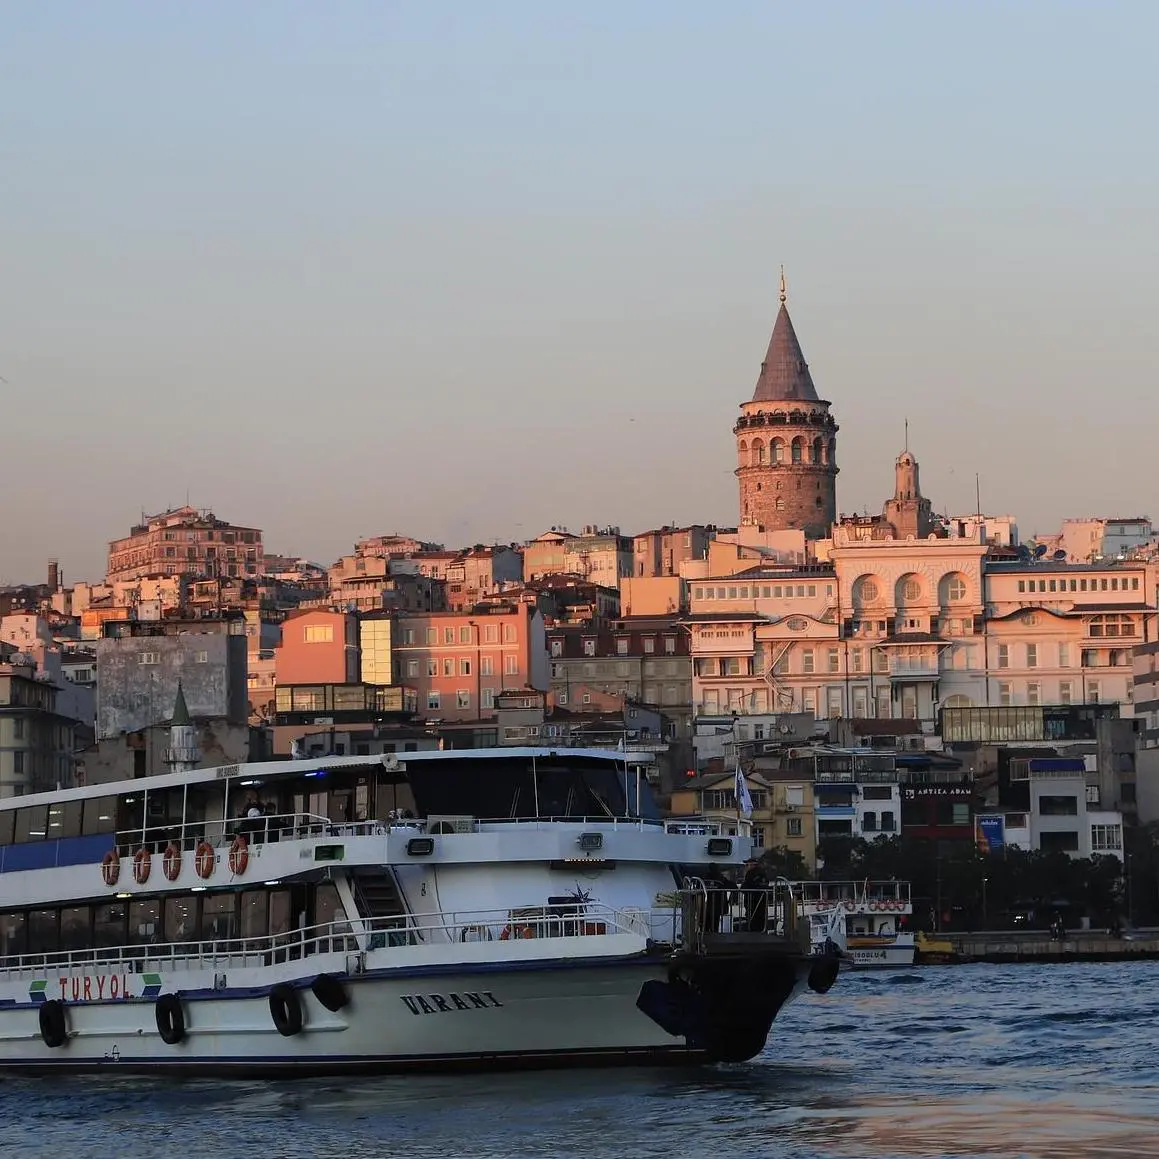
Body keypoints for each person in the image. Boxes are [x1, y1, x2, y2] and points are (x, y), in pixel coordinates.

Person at [742, 859, 770, 933]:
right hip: (762, 902)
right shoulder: (763, 874)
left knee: (752, 922)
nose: (746, 867)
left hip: (752, 901)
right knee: (761, 920)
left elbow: (744, 887)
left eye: (747, 865)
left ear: (752, 865)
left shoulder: (751, 873)